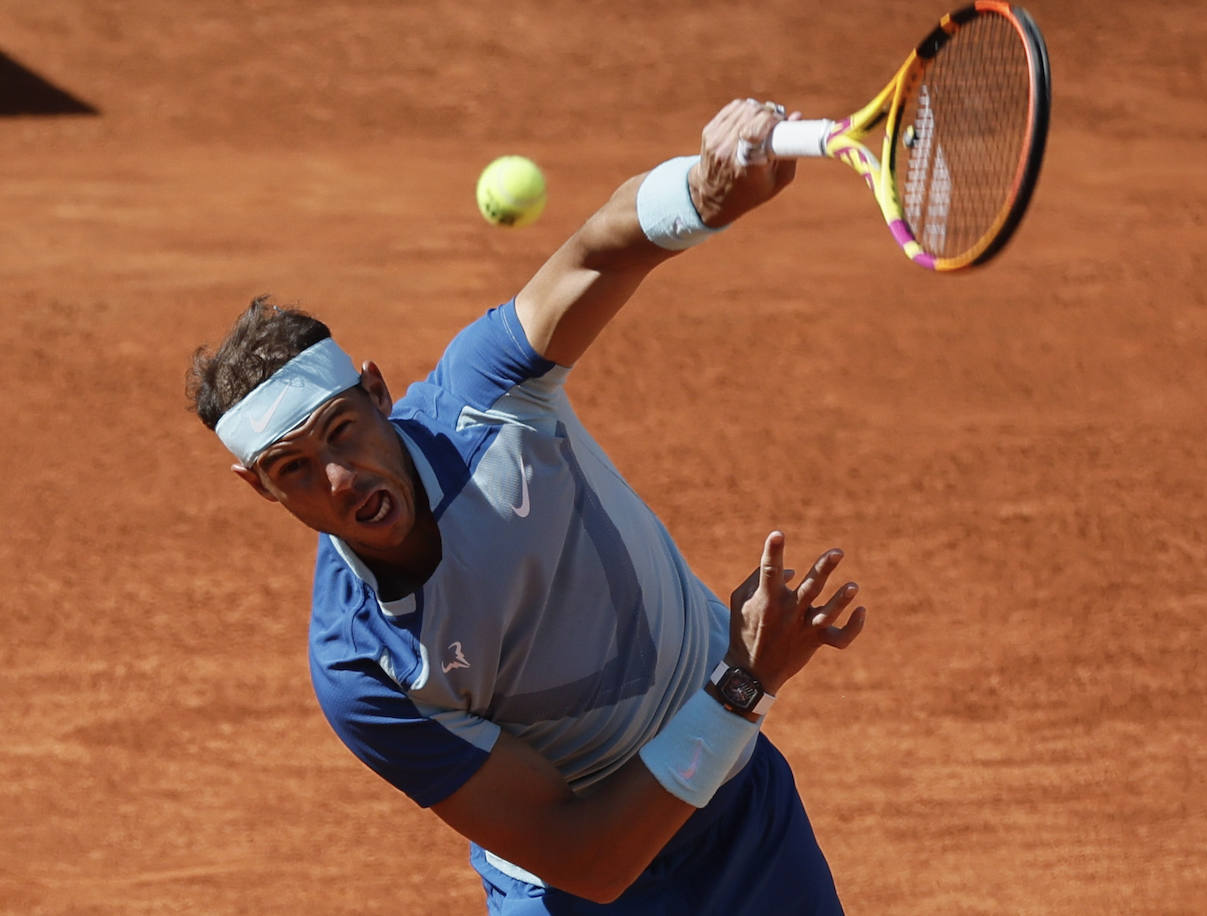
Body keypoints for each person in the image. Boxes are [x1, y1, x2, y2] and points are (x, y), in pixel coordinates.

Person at [187, 98, 868, 914]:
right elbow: (588, 858)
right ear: (257, 487)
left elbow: (597, 252)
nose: (338, 478)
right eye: (292, 469)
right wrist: (742, 685)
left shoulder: (487, 399)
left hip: (747, 820)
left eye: (342, 431)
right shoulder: (363, 667)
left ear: (376, 390)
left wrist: (700, 195)